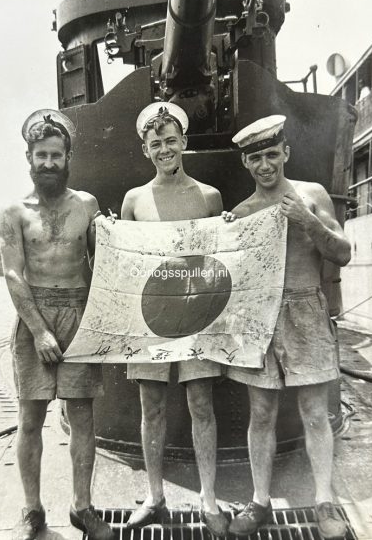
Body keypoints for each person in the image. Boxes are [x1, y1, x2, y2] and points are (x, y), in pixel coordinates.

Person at [222, 115, 351, 539]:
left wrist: (308, 221)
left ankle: (324, 501)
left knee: (315, 412)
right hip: (260, 317)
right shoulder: (241, 213)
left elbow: (343, 254)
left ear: (286, 154)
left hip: (306, 309)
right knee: (261, 414)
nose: (265, 165)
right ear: (246, 163)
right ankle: (259, 501)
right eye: (255, 157)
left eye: (272, 154)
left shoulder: (310, 195)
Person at [0, 109, 113, 540]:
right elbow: (13, 274)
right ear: (29, 157)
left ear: (68, 158)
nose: (49, 163)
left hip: (79, 315)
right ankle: (32, 509)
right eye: (41, 155)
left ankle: (82, 507)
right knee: (30, 418)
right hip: (34, 316)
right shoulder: (13, 212)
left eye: (56, 155)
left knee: (82, 417)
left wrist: (116, 236)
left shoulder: (86, 205)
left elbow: (104, 261)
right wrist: (40, 330)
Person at [121, 102, 228, 537]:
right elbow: (123, 265)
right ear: (146, 150)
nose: (164, 149)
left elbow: (224, 261)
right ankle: (154, 496)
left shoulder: (208, 196)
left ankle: (208, 497)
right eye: (155, 144)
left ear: (183, 142)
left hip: (197, 315)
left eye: (170, 141)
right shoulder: (134, 199)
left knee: (201, 402)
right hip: (150, 318)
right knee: (152, 405)